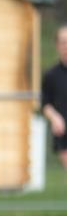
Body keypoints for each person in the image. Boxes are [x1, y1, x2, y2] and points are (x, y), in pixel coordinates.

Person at [41, 24, 67, 172]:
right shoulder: (51, 75)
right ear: (57, 45)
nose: (66, 46)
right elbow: (45, 104)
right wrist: (55, 117)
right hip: (64, 134)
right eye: (63, 42)